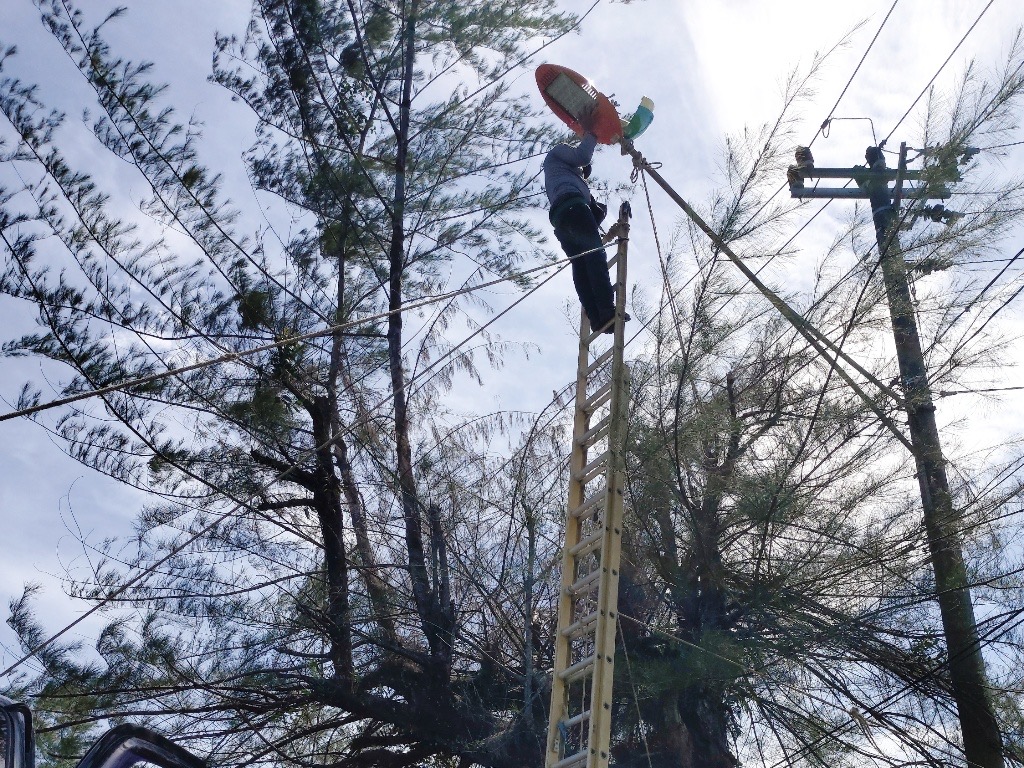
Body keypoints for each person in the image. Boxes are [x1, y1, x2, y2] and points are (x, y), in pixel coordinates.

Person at [543, 131, 617, 333]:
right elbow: (582, 156)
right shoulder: (557, 153)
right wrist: (593, 133)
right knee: (595, 256)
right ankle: (606, 311)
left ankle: (596, 318)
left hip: (562, 218)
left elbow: (593, 213)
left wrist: (596, 210)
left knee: (581, 266)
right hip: (573, 208)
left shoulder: (562, 178)